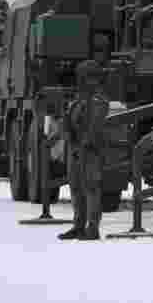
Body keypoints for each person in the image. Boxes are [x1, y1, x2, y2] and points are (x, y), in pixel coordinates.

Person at [58, 60, 111, 241]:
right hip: (76, 148)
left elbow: (95, 124)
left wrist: (86, 142)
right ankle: (78, 225)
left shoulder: (98, 99)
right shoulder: (79, 98)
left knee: (91, 187)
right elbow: (68, 120)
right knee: (76, 188)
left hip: (90, 150)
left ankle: (92, 227)